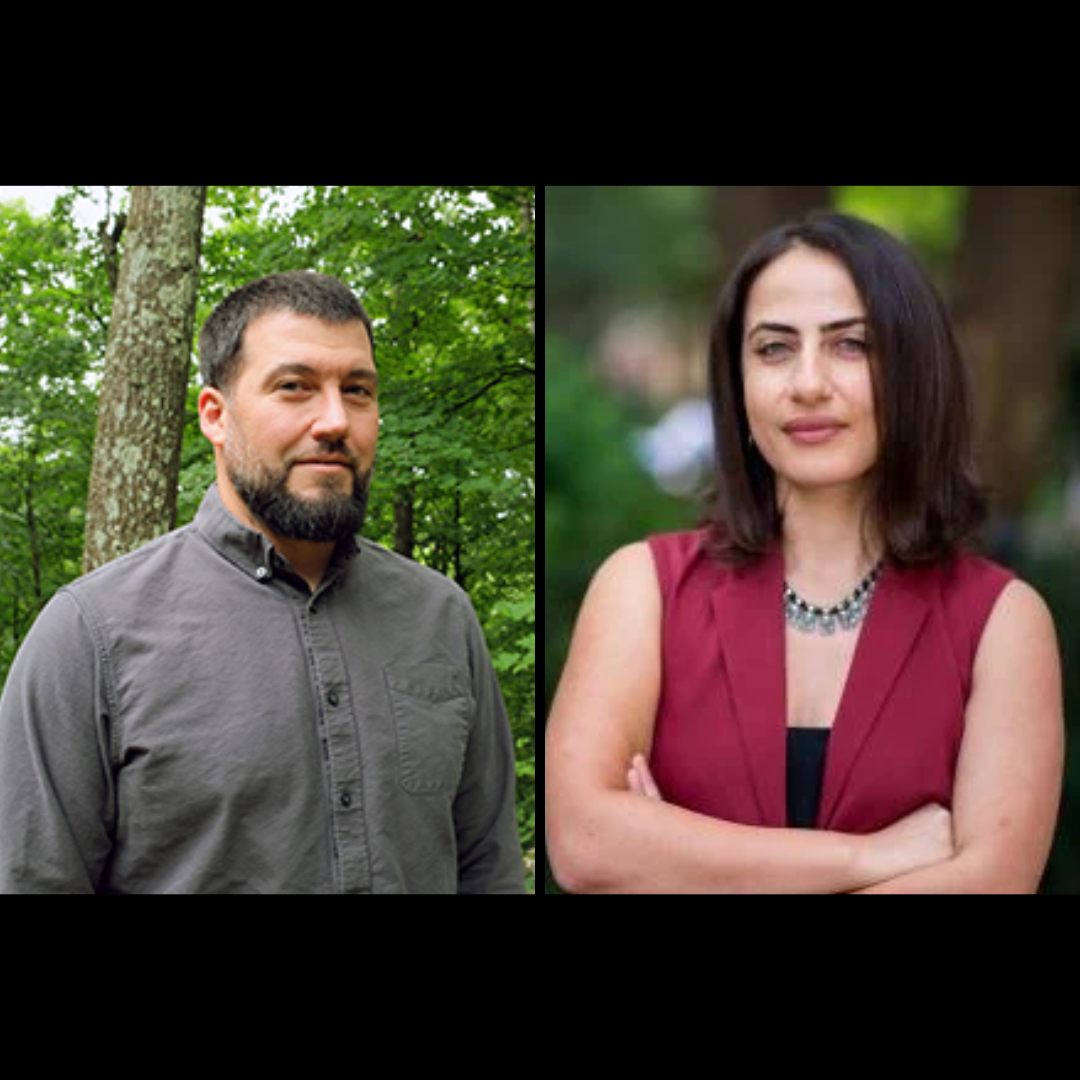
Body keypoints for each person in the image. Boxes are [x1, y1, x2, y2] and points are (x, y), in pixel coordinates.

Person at [545, 211, 1064, 894]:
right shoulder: (644, 587)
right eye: (774, 349)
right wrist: (871, 858)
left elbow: (992, 881)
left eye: (851, 345)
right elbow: (585, 846)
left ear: (914, 369)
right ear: (737, 382)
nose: (808, 383)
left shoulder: (1002, 621)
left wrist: (680, 864)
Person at [0, 271, 525, 894]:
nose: (334, 420)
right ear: (216, 417)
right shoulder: (91, 635)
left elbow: (489, 869)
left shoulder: (441, 616)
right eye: (294, 387)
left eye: (357, 391)